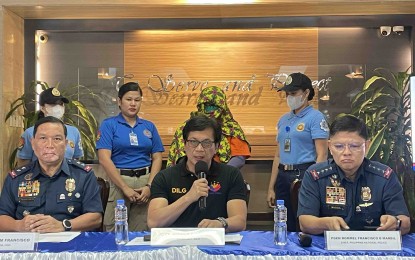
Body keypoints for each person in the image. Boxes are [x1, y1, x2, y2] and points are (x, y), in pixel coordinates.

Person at [298, 115, 411, 235]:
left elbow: (405, 223)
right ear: (330, 147)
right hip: (328, 248)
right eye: (339, 146)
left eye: (354, 146)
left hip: (373, 247)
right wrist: (326, 223)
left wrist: (396, 222)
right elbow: (305, 222)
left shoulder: (384, 176)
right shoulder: (315, 175)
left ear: (366, 146)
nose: (346, 152)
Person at [0, 116, 102, 232]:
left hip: (69, 243)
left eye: (57, 139)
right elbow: (2, 217)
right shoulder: (16, 178)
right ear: (33, 144)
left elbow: (95, 217)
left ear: (66, 143)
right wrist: (19, 226)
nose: (50, 145)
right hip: (29, 242)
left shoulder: (83, 175)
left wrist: (63, 225)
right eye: (43, 138)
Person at [148, 115, 247, 232]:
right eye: (193, 142)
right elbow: (153, 222)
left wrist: (220, 223)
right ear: (184, 145)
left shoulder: (231, 174)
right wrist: (189, 197)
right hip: (177, 245)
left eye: (206, 143)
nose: (199, 149)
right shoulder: (165, 177)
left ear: (216, 147)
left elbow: (240, 221)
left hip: (217, 244)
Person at [96, 82, 164, 231]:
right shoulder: (109, 125)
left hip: (145, 183)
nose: (133, 104)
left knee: (142, 230)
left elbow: (157, 157)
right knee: (115, 231)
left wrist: (150, 186)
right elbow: (104, 159)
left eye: (137, 100)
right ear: (120, 101)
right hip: (119, 182)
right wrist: (125, 187)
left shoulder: (149, 126)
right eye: (128, 99)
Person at [267, 72, 329, 232]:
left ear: (306, 93)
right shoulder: (283, 119)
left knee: (303, 221)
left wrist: (316, 183)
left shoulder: (316, 118)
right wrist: (270, 187)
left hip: (304, 173)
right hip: (283, 174)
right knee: (283, 222)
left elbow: (322, 155)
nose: (289, 97)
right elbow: (278, 154)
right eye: (287, 94)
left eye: (294, 93)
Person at [167, 86, 250, 169]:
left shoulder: (232, 128)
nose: (211, 110)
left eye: (215, 106)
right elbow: (180, 157)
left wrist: (224, 173)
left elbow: (239, 157)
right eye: (207, 105)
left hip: (223, 176)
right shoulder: (187, 127)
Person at [17, 87, 83, 167]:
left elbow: (76, 161)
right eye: (53, 104)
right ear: (42, 108)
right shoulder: (30, 133)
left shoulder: (74, 132)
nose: (58, 107)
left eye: (60, 104)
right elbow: (23, 163)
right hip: (38, 178)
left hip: (68, 178)